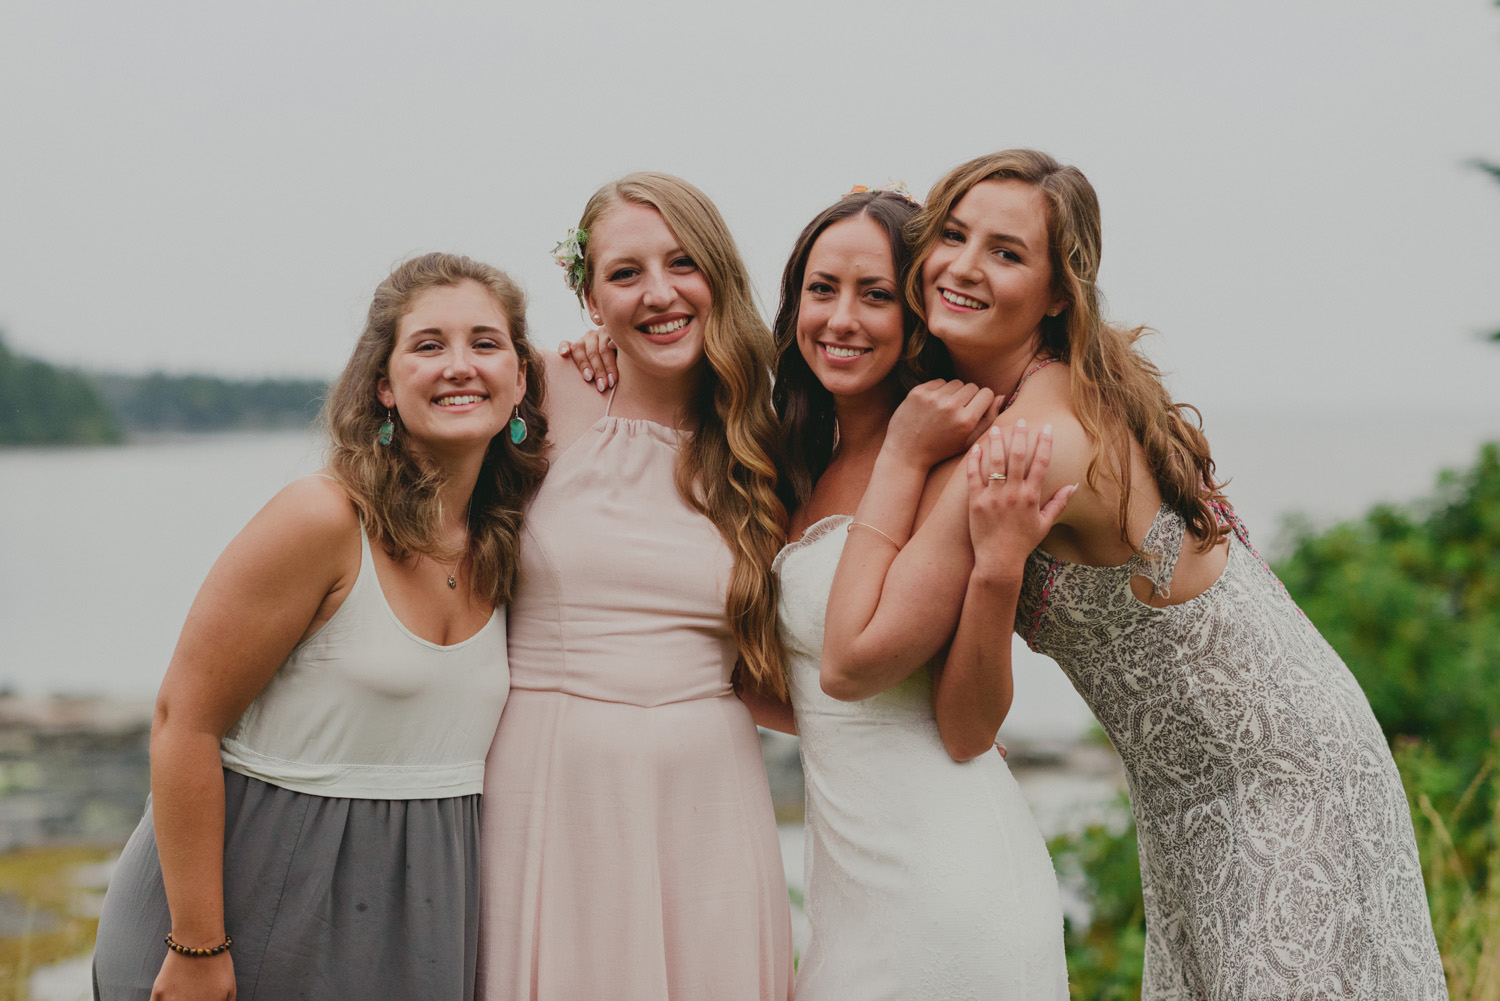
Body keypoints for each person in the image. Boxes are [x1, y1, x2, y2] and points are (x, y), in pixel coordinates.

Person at [826, 150, 1449, 999]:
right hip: (1202, 788)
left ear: (1057, 293)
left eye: (1006, 252)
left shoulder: (1028, 445)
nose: (965, 267)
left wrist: (909, 459)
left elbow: (855, 659)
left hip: (1278, 779)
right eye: (954, 235)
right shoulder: (1050, 383)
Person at [91, 252, 548, 1001]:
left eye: (486, 343)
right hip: (243, 914)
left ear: (523, 376)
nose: (460, 366)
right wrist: (199, 942)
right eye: (428, 345)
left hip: (416, 931)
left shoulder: (509, 541)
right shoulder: (324, 518)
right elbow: (184, 721)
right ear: (383, 384)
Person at [475, 172, 793, 1001]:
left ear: (718, 273)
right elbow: (415, 525)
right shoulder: (537, 395)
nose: (659, 294)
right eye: (625, 273)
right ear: (589, 295)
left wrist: (904, 737)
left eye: (683, 262)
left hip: (708, 788)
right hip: (553, 779)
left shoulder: (765, 437)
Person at [770, 188, 1070, 999]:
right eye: (821, 288)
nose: (840, 318)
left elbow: (941, 712)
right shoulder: (796, 462)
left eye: (874, 295)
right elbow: (800, 690)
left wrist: (903, 455)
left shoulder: (957, 459)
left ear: (915, 315)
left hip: (948, 887)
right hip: (850, 893)